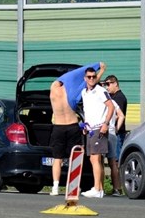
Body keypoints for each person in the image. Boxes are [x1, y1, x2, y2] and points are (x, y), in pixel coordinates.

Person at [48, 62, 105, 196]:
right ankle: (74, 186)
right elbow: (91, 83)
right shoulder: (73, 93)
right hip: (73, 125)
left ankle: (55, 187)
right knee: (75, 157)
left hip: (58, 126)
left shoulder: (53, 92)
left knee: (57, 158)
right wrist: (99, 68)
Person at [80, 67, 115, 198]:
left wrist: (105, 124)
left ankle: (97, 189)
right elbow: (87, 110)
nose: (91, 79)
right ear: (85, 78)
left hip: (99, 128)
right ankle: (99, 188)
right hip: (90, 129)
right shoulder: (84, 92)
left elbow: (110, 107)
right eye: (89, 77)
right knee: (94, 159)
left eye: (93, 76)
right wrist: (85, 125)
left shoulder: (101, 91)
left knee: (95, 158)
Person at [101, 76, 126, 196]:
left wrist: (116, 129)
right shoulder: (113, 100)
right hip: (112, 133)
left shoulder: (117, 98)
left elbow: (121, 116)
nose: (106, 86)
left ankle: (100, 188)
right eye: (105, 84)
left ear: (115, 83)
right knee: (113, 162)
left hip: (106, 132)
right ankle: (117, 188)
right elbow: (121, 115)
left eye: (108, 84)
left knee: (100, 161)